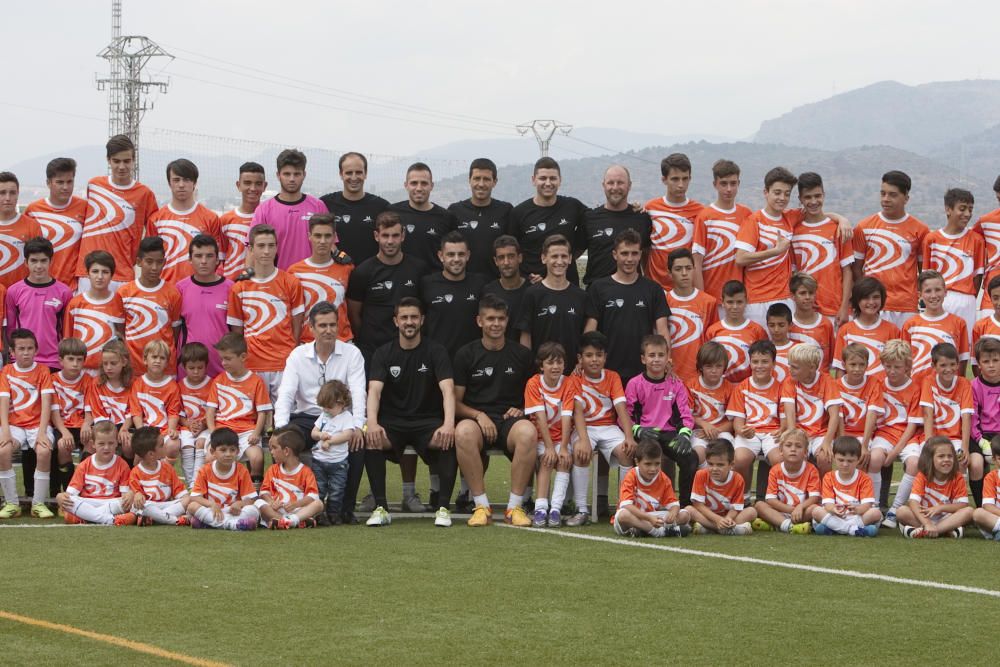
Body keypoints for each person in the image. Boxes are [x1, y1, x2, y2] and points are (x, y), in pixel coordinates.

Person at [364, 297, 458, 527]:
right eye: (404, 317)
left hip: (427, 421)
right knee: (371, 439)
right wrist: (373, 423)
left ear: (422, 320)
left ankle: (443, 508)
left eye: (414, 317)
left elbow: (448, 390)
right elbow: (374, 391)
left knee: (448, 440)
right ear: (396, 321)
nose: (409, 322)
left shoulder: (436, 351)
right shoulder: (383, 353)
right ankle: (381, 507)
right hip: (393, 422)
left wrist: (448, 424)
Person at [273, 302, 366, 524]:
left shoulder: (352, 353)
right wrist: (280, 429)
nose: (328, 330)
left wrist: (357, 426)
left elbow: (358, 391)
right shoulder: (298, 355)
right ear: (311, 329)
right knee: (284, 443)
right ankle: (285, 504)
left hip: (342, 416)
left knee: (359, 445)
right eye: (322, 325)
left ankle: (345, 509)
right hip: (307, 418)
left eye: (333, 325)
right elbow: (286, 394)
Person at [453, 294, 537, 527]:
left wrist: (521, 409)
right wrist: (479, 415)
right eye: (490, 319)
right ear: (479, 321)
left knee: (528, 432)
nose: (496, 324)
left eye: (500, 319)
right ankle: (481, 506)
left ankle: (514, 507)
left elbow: (536, 396)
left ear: (507, 321)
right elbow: (456, 403)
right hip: (477, 420)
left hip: (509, 420)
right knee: (463, 432)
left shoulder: (521, 355)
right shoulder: (465, 354)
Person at [227, 224, 304, 401]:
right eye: (261, 246)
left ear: (277, 248)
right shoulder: (238, 288)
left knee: (283, 421)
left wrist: (290, 356)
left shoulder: (291, 282)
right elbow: (237, 332)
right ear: (251, 249)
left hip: (283, 365)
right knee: (257, 420)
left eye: (271, 245)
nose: (266, 251)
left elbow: (297, 326)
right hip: (252, 364)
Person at [583, 229, 670, 383]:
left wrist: (666, 359)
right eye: (624, 253)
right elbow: (590, 331)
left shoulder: (653, 289)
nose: (630, 259)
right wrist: (586, 360)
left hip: (644, 373)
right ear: (615, 254)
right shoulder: (598, 288)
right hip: (607, 372)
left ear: (640, 254)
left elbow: (662, 331)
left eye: (634, 253)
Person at [570, 331, 638, 525]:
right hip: (585, 428)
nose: (594, 360)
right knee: (580, 452)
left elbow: (621, 408)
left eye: (599, 355)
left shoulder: (613, 377)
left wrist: (629, 436)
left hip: (608, 427)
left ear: (605, 357)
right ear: (580, 358)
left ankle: (623, 506)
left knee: (627, 452)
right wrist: (583, 441)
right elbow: (577, 413)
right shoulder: (574, 379)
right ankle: (581, 509)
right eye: (589, 355)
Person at [76, 135, 158, 290]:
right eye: (116, 161)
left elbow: (153, 236)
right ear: (108, 160)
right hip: (89, 273)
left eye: (126, 161)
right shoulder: (94, 185)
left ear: (134, 160)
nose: (121, 166)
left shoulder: (144, 194)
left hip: (122, 275)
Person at [851, 170, 929, 328]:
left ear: (906, 198)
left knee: (903, 352)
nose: (886, 199)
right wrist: (867, 297)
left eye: (892, 195)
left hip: (906, 307)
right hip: (875, 306)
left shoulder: (920, 230)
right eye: (883, 194)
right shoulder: (863, 227)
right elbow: (856, 269)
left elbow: (924, 273)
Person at [626, 335, 697, 504]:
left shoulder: (676, 384)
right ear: (643, 359)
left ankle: (685, 506)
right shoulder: (634, 384)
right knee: (652, 454)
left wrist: (685, 434)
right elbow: (625, 417)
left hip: (669, 434)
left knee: (690, 458)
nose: (656, 360)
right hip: (646, 434)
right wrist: (637, 430)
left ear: (667, 358)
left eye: (660, 355)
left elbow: (685, 415)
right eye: (651, 355)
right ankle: (649, 503)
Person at [347, 211, 427, 360]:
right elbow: (354, 314)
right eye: (385, 235)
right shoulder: (362, 272)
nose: (390, 241)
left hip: (410, 350)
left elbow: (424, 309)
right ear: (376, 236)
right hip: (372, 351)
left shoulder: (419, 269)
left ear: (403, 236)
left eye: (395, 235)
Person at [0, 329, 58, 518]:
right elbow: (3, 403)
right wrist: (6, 431)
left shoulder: (43, 370)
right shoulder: (7, 371)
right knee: (3, 451)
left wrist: (42, 432)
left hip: (36, 425)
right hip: (14, 426)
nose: (26, 352)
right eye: (21, 348)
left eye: (30, 348)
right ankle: (12, 504)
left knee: (43, 451)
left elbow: (47, 404)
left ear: (36, 349)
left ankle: (38, 504)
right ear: (12, 352)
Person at [523, 342, 578, 528]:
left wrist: (562, 447)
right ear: (541, 365)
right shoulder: (533, 383)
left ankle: (555, 509)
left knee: (563, 461)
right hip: (540, 438)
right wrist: (548, 447)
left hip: (561, 437)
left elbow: (566, 416)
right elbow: (539, 418)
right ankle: (540, 509)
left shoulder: (569, 382)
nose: (555, 367)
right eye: (550, 363)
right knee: (547, 461)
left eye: (559, 362)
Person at [734, 167, 798, 327]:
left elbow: (815, 211)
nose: (782, 198)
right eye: (777, 193)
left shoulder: (790, 218)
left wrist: (841, 219)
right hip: (757, 301)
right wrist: (775, 251)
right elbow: (740, 258)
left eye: (787, 194)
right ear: (766, 192)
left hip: (785, 298)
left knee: (784, 350)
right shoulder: (754, 221)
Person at [508, 157, 588, 283]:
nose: (548, 183)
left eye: (553, 178)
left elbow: (598, 219)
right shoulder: (519, 212)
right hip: (533, 287)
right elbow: (512, 251)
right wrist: (525, 276)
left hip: (567, 285)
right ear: (533, 180)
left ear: (560, 180)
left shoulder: (573, 207)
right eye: (543, 178)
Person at [205, 333, 270, 486]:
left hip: (247, 431)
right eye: (221, 358)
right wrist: (213, 431)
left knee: (257, 458)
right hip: (222, 429)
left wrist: (256, 433)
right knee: (209, 458)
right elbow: (210, 411)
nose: (223, 362)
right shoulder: (219, 380)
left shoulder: (256, 381)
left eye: (227, 358)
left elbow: (262, 412)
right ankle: (214, 489)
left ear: (242, 357)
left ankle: (255, 490)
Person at [920, 342, 981, 504]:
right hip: (934, 438)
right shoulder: (928, 381)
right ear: (933, 365)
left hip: (956, 438)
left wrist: (965, 447)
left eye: (953, 364)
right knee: (924, 461)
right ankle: (930, 503)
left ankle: (958, 504)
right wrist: (929, 444)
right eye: (943, 365)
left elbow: (966, 417)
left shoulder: (963, 383)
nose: (949, 369)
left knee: (961, 460)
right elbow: (927, 414)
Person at [791, 172, 854, 329]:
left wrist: (845, 306)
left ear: (824, 195)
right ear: (800, 199)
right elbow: (793, 274)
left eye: (817, 196)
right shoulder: (793, 231)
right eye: (808, 197)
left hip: (834, 309)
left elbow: (847, 271)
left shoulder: (838, 229)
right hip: (805, 311)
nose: (813, 201)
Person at [146, 158, 224, 284]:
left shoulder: (211, 218)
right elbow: (149, 259)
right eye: (176, 180)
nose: (181, 185)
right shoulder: (156, 220)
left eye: (186, 180)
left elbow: (217, 258)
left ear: (194, 183)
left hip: (199, 288)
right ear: (169, 183)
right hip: (165, 288)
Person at [249, 149, 328, 271]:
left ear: (304, 175)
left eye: (296, 174)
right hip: (277, 282)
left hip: (311, 279)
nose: (292, 179)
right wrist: (248, 275)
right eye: (287, 174)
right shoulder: (264, 210)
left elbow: (330, 244)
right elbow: (252, 249)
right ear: (278, 175)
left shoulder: (318, 206)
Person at [922, 188, 983, 344]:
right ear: (948, 209)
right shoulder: (932, 239)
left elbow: (978, 276)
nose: (967, 214)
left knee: (963, 349)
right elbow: (926, 276)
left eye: (970, 209)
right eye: (962, 209)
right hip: (939, 298)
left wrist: (968, 298)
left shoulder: (976, 240)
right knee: (937, 345)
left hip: (965, 300)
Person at [518, 234, 587, 370]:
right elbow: (526, 334)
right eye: (554, 256)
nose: (559, 261)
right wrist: (528, 365)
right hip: (541, 374)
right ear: (544, 258)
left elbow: (585, 335)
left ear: (570, 258)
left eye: (564, 256)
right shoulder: (532, 294)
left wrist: (581, 361)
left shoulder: (581, 296)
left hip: (572, 374)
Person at [117, 236, 182, 374]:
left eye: (159, 262)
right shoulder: (124, 292)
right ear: (139, 262)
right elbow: (120, 330)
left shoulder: (173, 293)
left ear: (164, 262)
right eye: (149, 261)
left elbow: (175, 331)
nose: (154, 267)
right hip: (133, 366)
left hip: (165, 368)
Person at [726, 340, 782, 499]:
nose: (760, 366)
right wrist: (743, 431)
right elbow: (737, 424)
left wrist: (782, 430)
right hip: (749, 434)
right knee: (740, 460)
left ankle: (774, 499)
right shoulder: (742, 387)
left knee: (780, 461)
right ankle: (743, 497)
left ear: (774, 363)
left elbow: (785, 420)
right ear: (750, 363)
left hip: (773, 433)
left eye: (765, 361)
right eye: (755, 362)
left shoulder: (781, 387)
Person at [5, 236, 72, 369]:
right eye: (34, 261)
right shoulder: (14, 291)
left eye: (43, 261)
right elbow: (10, 330)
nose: (39, 266)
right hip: (22, 361)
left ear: (51, 261)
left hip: (54, 361)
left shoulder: (64, 292)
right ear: (26, 262)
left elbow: (67, 331)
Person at [875, 340, 922, 529]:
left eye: (897, 367)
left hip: (908, 437)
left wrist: (894, 453)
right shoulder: (878, 383)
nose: (892, 371)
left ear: (907, 366)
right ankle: (875, 507)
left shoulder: (916, 387)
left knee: (914, 463)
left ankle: (894, 510)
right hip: (884, 433)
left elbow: (912, 426)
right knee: (874, 458)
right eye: (888, 366)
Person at [288, 213, 354, 344]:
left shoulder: (347, 268)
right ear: (309, 236)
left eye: (327, 236)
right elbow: (292, 315)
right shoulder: (294, 272)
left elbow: (353, 308)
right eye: (318, 236)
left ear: (334, 237)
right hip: (308, 343)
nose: (322, 241)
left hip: (342, 342)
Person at [581, 165, 651, 287]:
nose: (615, 187)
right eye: (610, 183)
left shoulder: (642, 218)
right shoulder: (589, 218)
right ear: (603, 185)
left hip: (632, 294)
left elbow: (647, 257)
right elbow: (573, 253)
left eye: (620, 183)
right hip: (596, 296)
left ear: (629, 185)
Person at [55, 421, 135, 526]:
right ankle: (111, 520)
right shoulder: (84, 465)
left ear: (116, 443)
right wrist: (60, 497)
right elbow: (70, 494)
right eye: (101, 444)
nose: (106, 447)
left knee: (130, 502)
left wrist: (130, 495)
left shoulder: (122, 465)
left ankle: (86, 518)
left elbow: (124, 497)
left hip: (111, 502)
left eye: (110, 443)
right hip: (88, 502)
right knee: (69, 500)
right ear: (93, 444)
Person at [692, 159, 752, 297]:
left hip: (738, 298)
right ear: (715, 184)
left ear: (739, 184)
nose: (729, 189)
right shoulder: (705, 217)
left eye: (733, 183)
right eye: (724, 184)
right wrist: (702, 299)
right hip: (712, 295)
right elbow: (697, 263)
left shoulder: (747, 214)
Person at [419, 231, 488, 352]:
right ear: (441, 256)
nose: (456, 259)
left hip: (472, 359)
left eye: (461, 254)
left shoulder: (480, 283)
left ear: (468, 255)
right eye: (450, 254)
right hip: (437, 358)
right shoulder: (426, 284)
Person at [24, 157, 86, 288]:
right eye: (60, 182)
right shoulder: (33, 210)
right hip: (42, 285)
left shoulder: (84, 207)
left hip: (74, 287)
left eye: (70, 182)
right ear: (48, 182)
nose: (65, 187)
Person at [176, 234, 233, 378]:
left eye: (209, 256)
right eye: (198, 256)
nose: (203, 261)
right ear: (190, 259)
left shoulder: (232, 289)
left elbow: (237, 333)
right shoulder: (179, 289)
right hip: (188, 372)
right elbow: (173, 332)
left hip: (222, 371)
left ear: (217, 260)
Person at [644, 153, 704, 290]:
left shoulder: (700, 211)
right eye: (675, 179)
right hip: (656, 289)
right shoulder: (650, 208)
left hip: (686, 291)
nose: (681, 185)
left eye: (685, 179)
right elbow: (644, 249)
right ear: (664, 180)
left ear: (690, 178)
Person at [780, 343, 841, 477]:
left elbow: (835, 416)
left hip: (821, 434)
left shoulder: (827, 381)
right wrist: (796, 439)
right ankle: (801, 493)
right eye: (790, 365)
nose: (790, 370)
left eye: (795, 367)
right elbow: (789, 414)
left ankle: (824, 493)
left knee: (824, 458)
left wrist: (826, 442)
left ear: (812, 367)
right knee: (794, 456)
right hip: (799, 431)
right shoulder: (789, 382)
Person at [895, 435, 973, 538]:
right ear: (929, 459)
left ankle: (926, 531)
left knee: (969, 511)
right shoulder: (922, 476)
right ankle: (946, 531)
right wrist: (927, 523)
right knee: (901, 511)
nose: (947, 459)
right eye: (941, 456)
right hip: (924, 517)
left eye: (950, 456)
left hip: (947, 518)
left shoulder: (957, 477)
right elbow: (913, 502)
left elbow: (963, 505)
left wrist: (940, 508)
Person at [612, 437, 691, 538]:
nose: (653, 469)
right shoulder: (631, 475)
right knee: (623, 515)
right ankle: (659, 532)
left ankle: (643, 531)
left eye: (657, 464)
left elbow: (674, 505)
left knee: (685, 515)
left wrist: (673, 513)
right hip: (636, 517)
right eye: (648, 464)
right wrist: (648, 518)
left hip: (652, 517)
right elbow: (627, 506)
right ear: (637, 462)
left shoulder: (663, 478)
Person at [447, 158, 513, 277]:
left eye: (486, 179)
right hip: (463, 284)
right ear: (469, 180)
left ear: (495, 182)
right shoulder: (455, 211)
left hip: (496, 283)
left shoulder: (506, 210)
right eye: (477, 178)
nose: (481, 184)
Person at [320, 152, 389, 267]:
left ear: (365, 174)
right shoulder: (325, 204)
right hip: (335, 276)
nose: (354, 177)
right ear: (341, 174)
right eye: (348, 173)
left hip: (370, 276)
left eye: (358, 172)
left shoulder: (381, 207)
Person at [63, 250, 125, 375]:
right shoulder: (75, 303)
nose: (100, 276)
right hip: (81, 370)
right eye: (95, 271)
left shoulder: (118, 302)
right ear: (87, 274)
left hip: (108, 370)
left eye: (105, 272)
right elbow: (68, 339)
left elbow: (122, 338)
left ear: (112, 275)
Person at [187, 427, 260, 531]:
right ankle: (233, 525)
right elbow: (194, 498)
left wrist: (240, 503)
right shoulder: (205, 470)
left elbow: (251, 499)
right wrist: (211, 504)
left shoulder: (241, 470)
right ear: (212, 451)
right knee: (192, 506)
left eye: (232, 450)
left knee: (254, 510)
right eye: (223, 450)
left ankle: (210, 523)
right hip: (212, 510)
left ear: (238, 451)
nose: (228, 454)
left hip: (233, 512)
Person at [901, 270, 969, 381]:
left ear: (945, 292)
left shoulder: (958, 323)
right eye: (928, 291)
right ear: (920, 295)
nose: (933, 295)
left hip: (948, 388)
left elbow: (962, 358)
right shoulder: (910, 324)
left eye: (938, 290)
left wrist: (958, 385)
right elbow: (904, 359)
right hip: (918, 387)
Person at [387, 162, 457, 269]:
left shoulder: (446, 217)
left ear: (431, 186)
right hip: (401, 280)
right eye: (414, 183)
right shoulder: (393, 212)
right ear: (406, 185)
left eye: (424, 183)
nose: (419, 188)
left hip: (433, 282)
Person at [664, 247, 718, 384]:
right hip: (669, 374)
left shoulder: (709, 302)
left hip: (698, 378)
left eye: (688, 268)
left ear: (694, 270)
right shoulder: (663, 301)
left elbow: (712, 341)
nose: (684, 273)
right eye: (678, 269)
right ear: (669, 273)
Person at [752, 429, 820, 534]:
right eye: (788, 445)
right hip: (781, 511)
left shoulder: (811, 469)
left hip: (802, 511)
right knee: (759, 505)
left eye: (798, 446)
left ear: (806, 452)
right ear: (781, 451)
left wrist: (800, 507)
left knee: (815, 509)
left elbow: (814, 497)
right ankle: (789, 526)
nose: (793, 449)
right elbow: (771, 499)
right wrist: (791, 510)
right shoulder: (775, 470)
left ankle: (777, 525)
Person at [810, 436, 881, 536]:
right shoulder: (828, 477)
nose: (845, 464)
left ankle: (834, 529)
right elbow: (828, 504)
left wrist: (857, 510)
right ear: (834, 458)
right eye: (841, 460)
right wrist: (834, 509)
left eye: (850, 461)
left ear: (858, 460)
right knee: (816, 511)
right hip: (836, 516)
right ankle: (854, 530)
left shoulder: (865, 478)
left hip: (857, 516)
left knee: (876, 513)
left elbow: (867, 505)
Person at [832, 277, 899, 378]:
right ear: (857, 300)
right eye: (866, 298)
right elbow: (840, 369)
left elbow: (897, 365)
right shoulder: (845, 330)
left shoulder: (892, 330)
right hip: (855, 392)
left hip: (883, 391)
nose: (871, 302)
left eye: (876, 297)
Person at [257, 428, 323, 529]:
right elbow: (264, 492)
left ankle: (286, 521)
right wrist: (271, 502)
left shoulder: (305, 472)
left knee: (319, 504)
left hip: (297, 510)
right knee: (258, 503)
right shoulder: (272, 470)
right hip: (276, 510)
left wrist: (296, 504)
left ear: (286, 451)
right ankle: (293, 522)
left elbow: (313, 496)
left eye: (274, 448)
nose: (271, 452)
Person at [309, 380, 356, 525]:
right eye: (324, 407)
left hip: (338, 463)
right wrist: (319, 436)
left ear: (341, 403)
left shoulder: (346, 417)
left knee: (336, 490)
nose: (326, 410)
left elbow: (347, 435)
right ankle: (319, 514)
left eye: (329, 407)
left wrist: (330, 441)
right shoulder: (324, 416)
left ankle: (334, 513)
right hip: (319, 461)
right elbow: (313, 432)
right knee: (319, 489)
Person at [687, 439, 757, 535]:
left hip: (728, 516)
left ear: (731, 465)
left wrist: (728, 519)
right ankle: (728, 529)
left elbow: (736, 508)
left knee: (752, 511)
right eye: (710, 464)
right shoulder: (701, 475)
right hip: (707, 516)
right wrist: (717, 520)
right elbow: (698, 505)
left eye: (720, 465)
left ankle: (709, 528)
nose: (714, 469)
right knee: (688, 510)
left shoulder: (738, 479)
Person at [50, 337, 93, 493]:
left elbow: (90, 409)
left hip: (82, 424)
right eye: (70, 359)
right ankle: (68, 490)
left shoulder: (89, 380)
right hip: (62, 426)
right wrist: (64, 432)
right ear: (60, 360)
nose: (75, 364)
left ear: (84, 360)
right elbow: (54, 412)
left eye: (79, 360)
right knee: (62, 445)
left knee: (93, 443)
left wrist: (87, 424)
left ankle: (83, 488)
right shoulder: (53, 380)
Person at [836, 345, 884, 481]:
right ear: (844, 364)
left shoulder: (874, 383)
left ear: (867, 365)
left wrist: (864, 445)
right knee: (847, 460)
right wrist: (842, 441)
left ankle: (872, 501)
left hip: (865, 436)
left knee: (862, 459)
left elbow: (872, 414)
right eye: (852, 364)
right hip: (843, 435)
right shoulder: (836, 385)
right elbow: (838, 416)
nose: (857, 369)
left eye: (861, 364)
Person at [704, 280, 767, 383]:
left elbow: (764, 360)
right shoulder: (712, 331)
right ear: (722, 302)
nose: (735, 307)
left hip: (747, 389)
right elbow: (707, 360)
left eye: (739, 302)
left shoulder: (757, 330)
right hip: (719, 387)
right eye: (730, 302)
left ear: (746, 301)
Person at [128, 340, 182, 461]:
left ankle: (164, 474)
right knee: (138, 455)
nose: (157, 361)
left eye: (162, 358)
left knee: (173, 446)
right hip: (145, 429)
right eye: (154, 357)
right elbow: (136, 412)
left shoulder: (172, 385)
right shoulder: (138, 383)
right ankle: (136, 477)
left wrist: (171, 429)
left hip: (164, 430)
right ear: (145, 360)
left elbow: (173, 412)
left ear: (167, 362)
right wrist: (141, 433)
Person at [128, 425, 191, 526]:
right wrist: (137, 494)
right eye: (162, 445)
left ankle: (154, 519)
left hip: (165, 505)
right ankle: (175, 520)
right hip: (148, 506)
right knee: (140, 507)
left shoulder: (168, 468)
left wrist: (187, 498)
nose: (165, 446)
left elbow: (182, 493)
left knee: (189, 499)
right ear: (151, 454)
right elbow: (136, 495)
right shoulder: (135, 472)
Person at [687, 341, 734, 466]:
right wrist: (704, 425)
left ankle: (724, 484)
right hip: (699, 432)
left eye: (718, 366)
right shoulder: (691, 385)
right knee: (699, 453)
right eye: (709, 366)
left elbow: (733, 421)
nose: (714, 371)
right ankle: (702, 483)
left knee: (726, 454)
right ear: (701, 366)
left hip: (722, 432)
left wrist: (715, 430)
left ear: (724, 366)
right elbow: (687, 415)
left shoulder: (729, 388)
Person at [219, 162, 266, 281]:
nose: (253, 188)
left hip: (259, 285)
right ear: (238, 185)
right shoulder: (225, 220)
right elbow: (221, 257)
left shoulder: (268, 218)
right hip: (231, 284)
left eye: (258, 184)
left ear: (264, 186)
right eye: (247, 183)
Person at [84, 339, 133, 453]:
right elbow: (96, 412)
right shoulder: (96, 383)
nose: (109, 367)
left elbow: (132, 412)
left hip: (125, 425)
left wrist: (124, 429)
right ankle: (88, 469)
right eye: (105, 363)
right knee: (90, 439)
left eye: (113, 363)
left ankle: (126, 470)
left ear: (124, 362)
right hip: (102, 425)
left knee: (128, 442)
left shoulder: (133, 384)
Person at [177, 343, 212, 488]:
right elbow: (177, 412)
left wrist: (203, 424)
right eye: (192, 368)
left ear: (206, 366)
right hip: (187, 427)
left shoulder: (212, 384)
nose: (196, 372)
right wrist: (188, 424)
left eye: (200, 367)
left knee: (200, 443)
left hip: (206, 426)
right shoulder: (179, 386)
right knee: (186, 446)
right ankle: (191, 484)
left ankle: (197, 483)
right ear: (184, 367)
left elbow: (214, 411)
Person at [482, 236, 529, 342]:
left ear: (520, 258)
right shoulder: (488, 291)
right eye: (501, 257)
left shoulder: (532, 290)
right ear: (495, 261)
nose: (506, 262)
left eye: (511, 256)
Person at [788, 272, 834, 373]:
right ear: (792, 296)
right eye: (802, 293)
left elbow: (831, 361)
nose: (808, 297)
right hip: (795, 385)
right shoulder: (787, 324)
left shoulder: (826, 324)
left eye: (811, 293)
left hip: (821, 383)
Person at [973, 176, 1000, 320]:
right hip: (992, 294)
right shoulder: (986, 221)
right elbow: (969, 244)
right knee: (988, 340)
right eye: (999, 199)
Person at [973, 436, 1000, 539]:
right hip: (996, 519)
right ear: (994, 459)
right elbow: (988, 507)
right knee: (978, 513)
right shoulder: (991, 477)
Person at [972, 276, 1000, 364]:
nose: (999, 303)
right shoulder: (980, 326)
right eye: (995, 298)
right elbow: (975, 363)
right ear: (990, 299)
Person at [766, 302, 795, 382]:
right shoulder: (762, 350)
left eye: (781, 325)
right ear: (767, 325)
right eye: (772, 325)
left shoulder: (797, 350)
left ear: (790, 325)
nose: (776, 330)